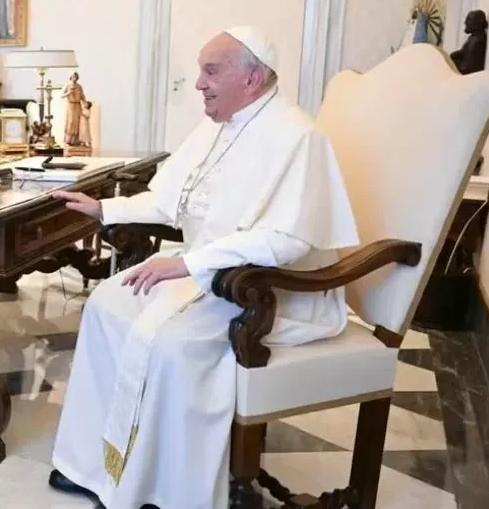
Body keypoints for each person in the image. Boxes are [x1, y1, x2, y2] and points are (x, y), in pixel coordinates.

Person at [47, 26, 359, 509]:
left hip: (275, 291)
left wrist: (189, 264)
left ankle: (165, 491)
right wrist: (105, 210)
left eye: (211, 72)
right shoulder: (217, 125)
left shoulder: (298, 136)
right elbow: (169, 199)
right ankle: (97, 466)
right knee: (107, 304)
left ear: (251, 78)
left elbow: (288, 240)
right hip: (212, 275)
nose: (198, 83)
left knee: (174, 344)